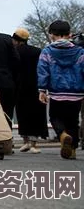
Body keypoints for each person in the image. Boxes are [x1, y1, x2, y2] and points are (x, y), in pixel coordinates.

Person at [38, 20, 84, 160]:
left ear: (52, 34)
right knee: (73, 122)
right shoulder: (80, 51)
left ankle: (63, 135)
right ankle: (73, 150)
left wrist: (42, 90)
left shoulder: (47, 52)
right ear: (69, 34)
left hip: (57, 92)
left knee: (55, 118)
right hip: (76, 93)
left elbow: (43, 71)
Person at [12, 28, 48, 154]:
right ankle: (33, 143)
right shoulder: (37, 51)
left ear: (16, 40)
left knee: (22, 114)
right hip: (35, 86)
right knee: (36, 114)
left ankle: (25, 141)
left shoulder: (14, 52)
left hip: (19, 86)